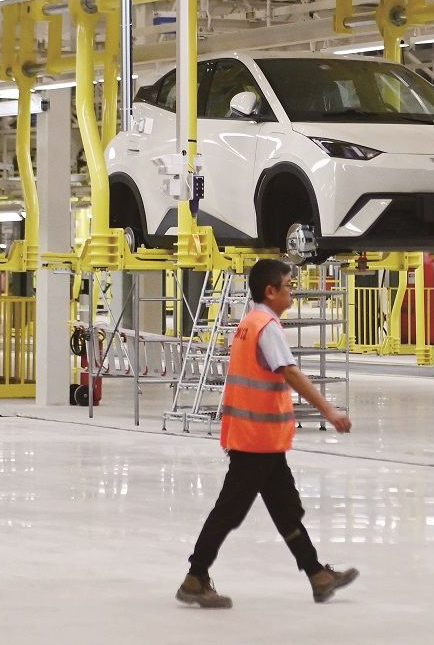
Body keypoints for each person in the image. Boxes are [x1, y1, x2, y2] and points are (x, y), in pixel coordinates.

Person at [176, 258, 357, 609]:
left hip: (259, 440)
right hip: (255, 441)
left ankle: (318, 575)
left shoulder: (250, 322)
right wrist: (329, 410)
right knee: (229, 512)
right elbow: (289, 373)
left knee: (286, 509)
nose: (292, 291)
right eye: (288, 285)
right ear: (270, 291)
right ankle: (195, 578)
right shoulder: (267, 327)